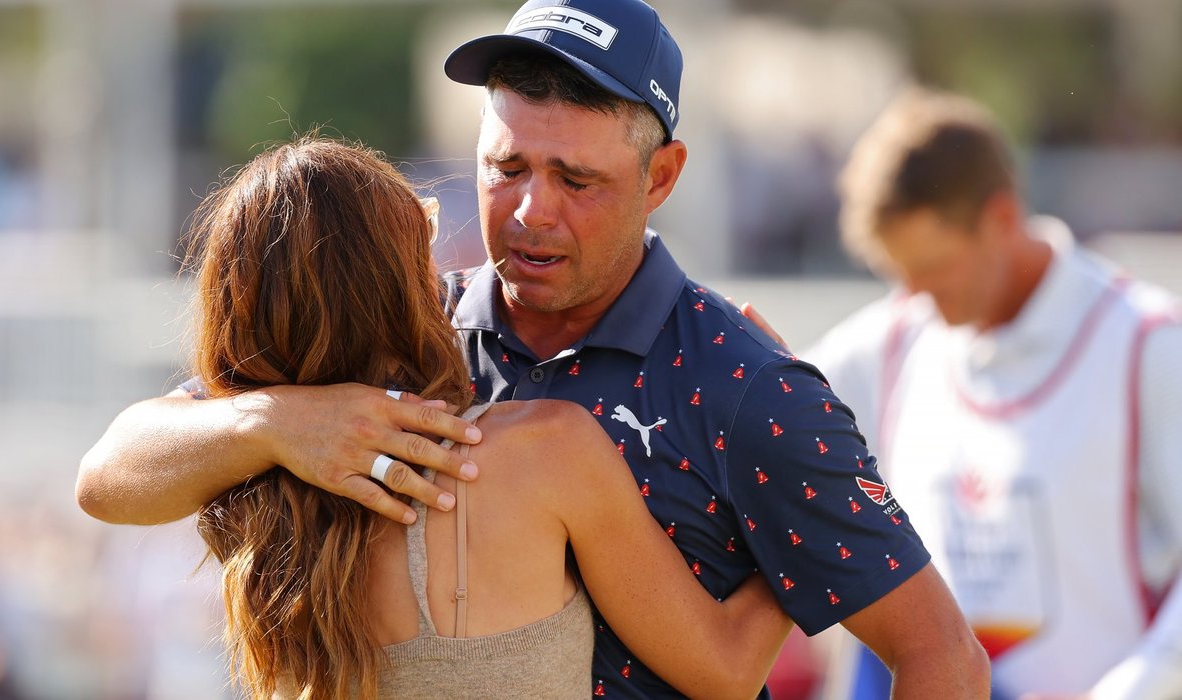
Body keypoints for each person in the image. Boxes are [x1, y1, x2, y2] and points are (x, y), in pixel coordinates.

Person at [77, 1, 989, 697]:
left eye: (576, 179)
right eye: (505, 167)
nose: (528, 210)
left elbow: (941, 655)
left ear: (659, 178)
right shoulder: (398, 335)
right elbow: (110, 474)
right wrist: (275, 422)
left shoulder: (748, 387)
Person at [176, 135, 792, 699]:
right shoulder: (543, 450)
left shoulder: (239, 484)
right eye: (423, 235)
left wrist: (264, 422)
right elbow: (728, 671)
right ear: (392, 282)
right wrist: (786, 468)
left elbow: (106, 477)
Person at [805, 88, 1182, 699]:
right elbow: (757, 408)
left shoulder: (1149, 345)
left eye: (934, 268)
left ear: (1001, 219)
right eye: (902, 276)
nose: (917, 296)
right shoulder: (895, 339)